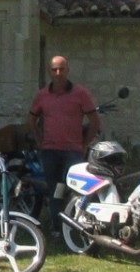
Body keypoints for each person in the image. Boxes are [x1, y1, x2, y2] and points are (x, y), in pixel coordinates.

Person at [27, 55, 101, 206]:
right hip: (50, 152)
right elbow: (31, 120)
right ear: (50, 72)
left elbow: (95, 121)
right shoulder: (42, 95)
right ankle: (57, 228)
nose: (58, 73)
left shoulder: (80, 94)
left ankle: (73, 226)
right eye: (54, 70)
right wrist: (39, 141)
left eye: (61, 69)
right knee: (55, 193)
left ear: (68, 70)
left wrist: (85, 144)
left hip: (72, 152)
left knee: (74, 192)